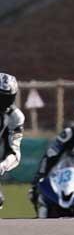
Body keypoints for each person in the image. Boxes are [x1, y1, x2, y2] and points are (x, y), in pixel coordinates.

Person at [0, 73, 24, 210]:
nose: (2, 103)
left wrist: (2, 165)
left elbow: (14, 153)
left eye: (6, 98)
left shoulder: (15, 117)